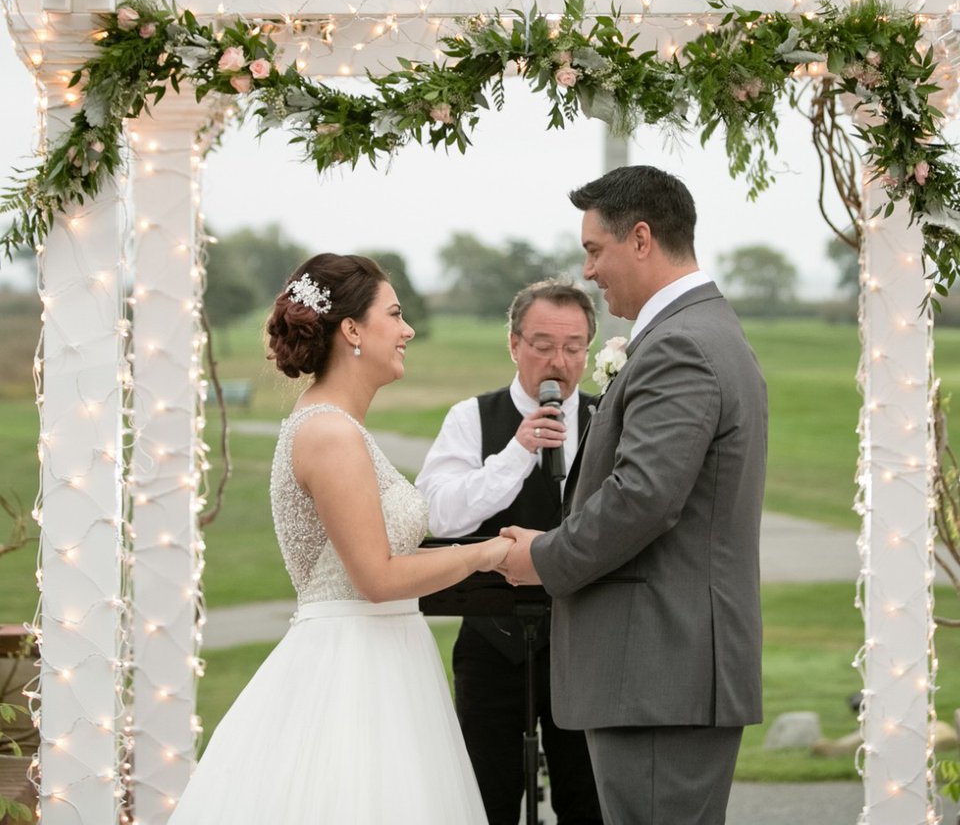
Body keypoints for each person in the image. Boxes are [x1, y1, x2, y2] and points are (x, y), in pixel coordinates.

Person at [169, 253, 512, 825]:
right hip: (351, 676)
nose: (407, 331)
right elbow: (376, 578)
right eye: (395, 315)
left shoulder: (338, 425)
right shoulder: (328, 433)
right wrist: (489, 551)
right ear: (352, 329)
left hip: (388, 659)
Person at [498, 167, 767, 825]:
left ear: (640, 238)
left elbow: (643, 497)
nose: (588, 272)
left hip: (658, 674)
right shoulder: (701, 331)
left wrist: (546, 557)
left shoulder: (681, 345)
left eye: (595, 250)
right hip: (664, 676)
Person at [416, 280, 604, 825]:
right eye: (543, 344)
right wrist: (517, 452)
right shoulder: (471, 419)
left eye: (574, 348)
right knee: (484, 800)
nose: (559, 361)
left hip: (586, 645)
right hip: (492, 644)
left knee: (588, 803)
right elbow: (439, 514)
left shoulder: (609, 416)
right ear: (514, 344)